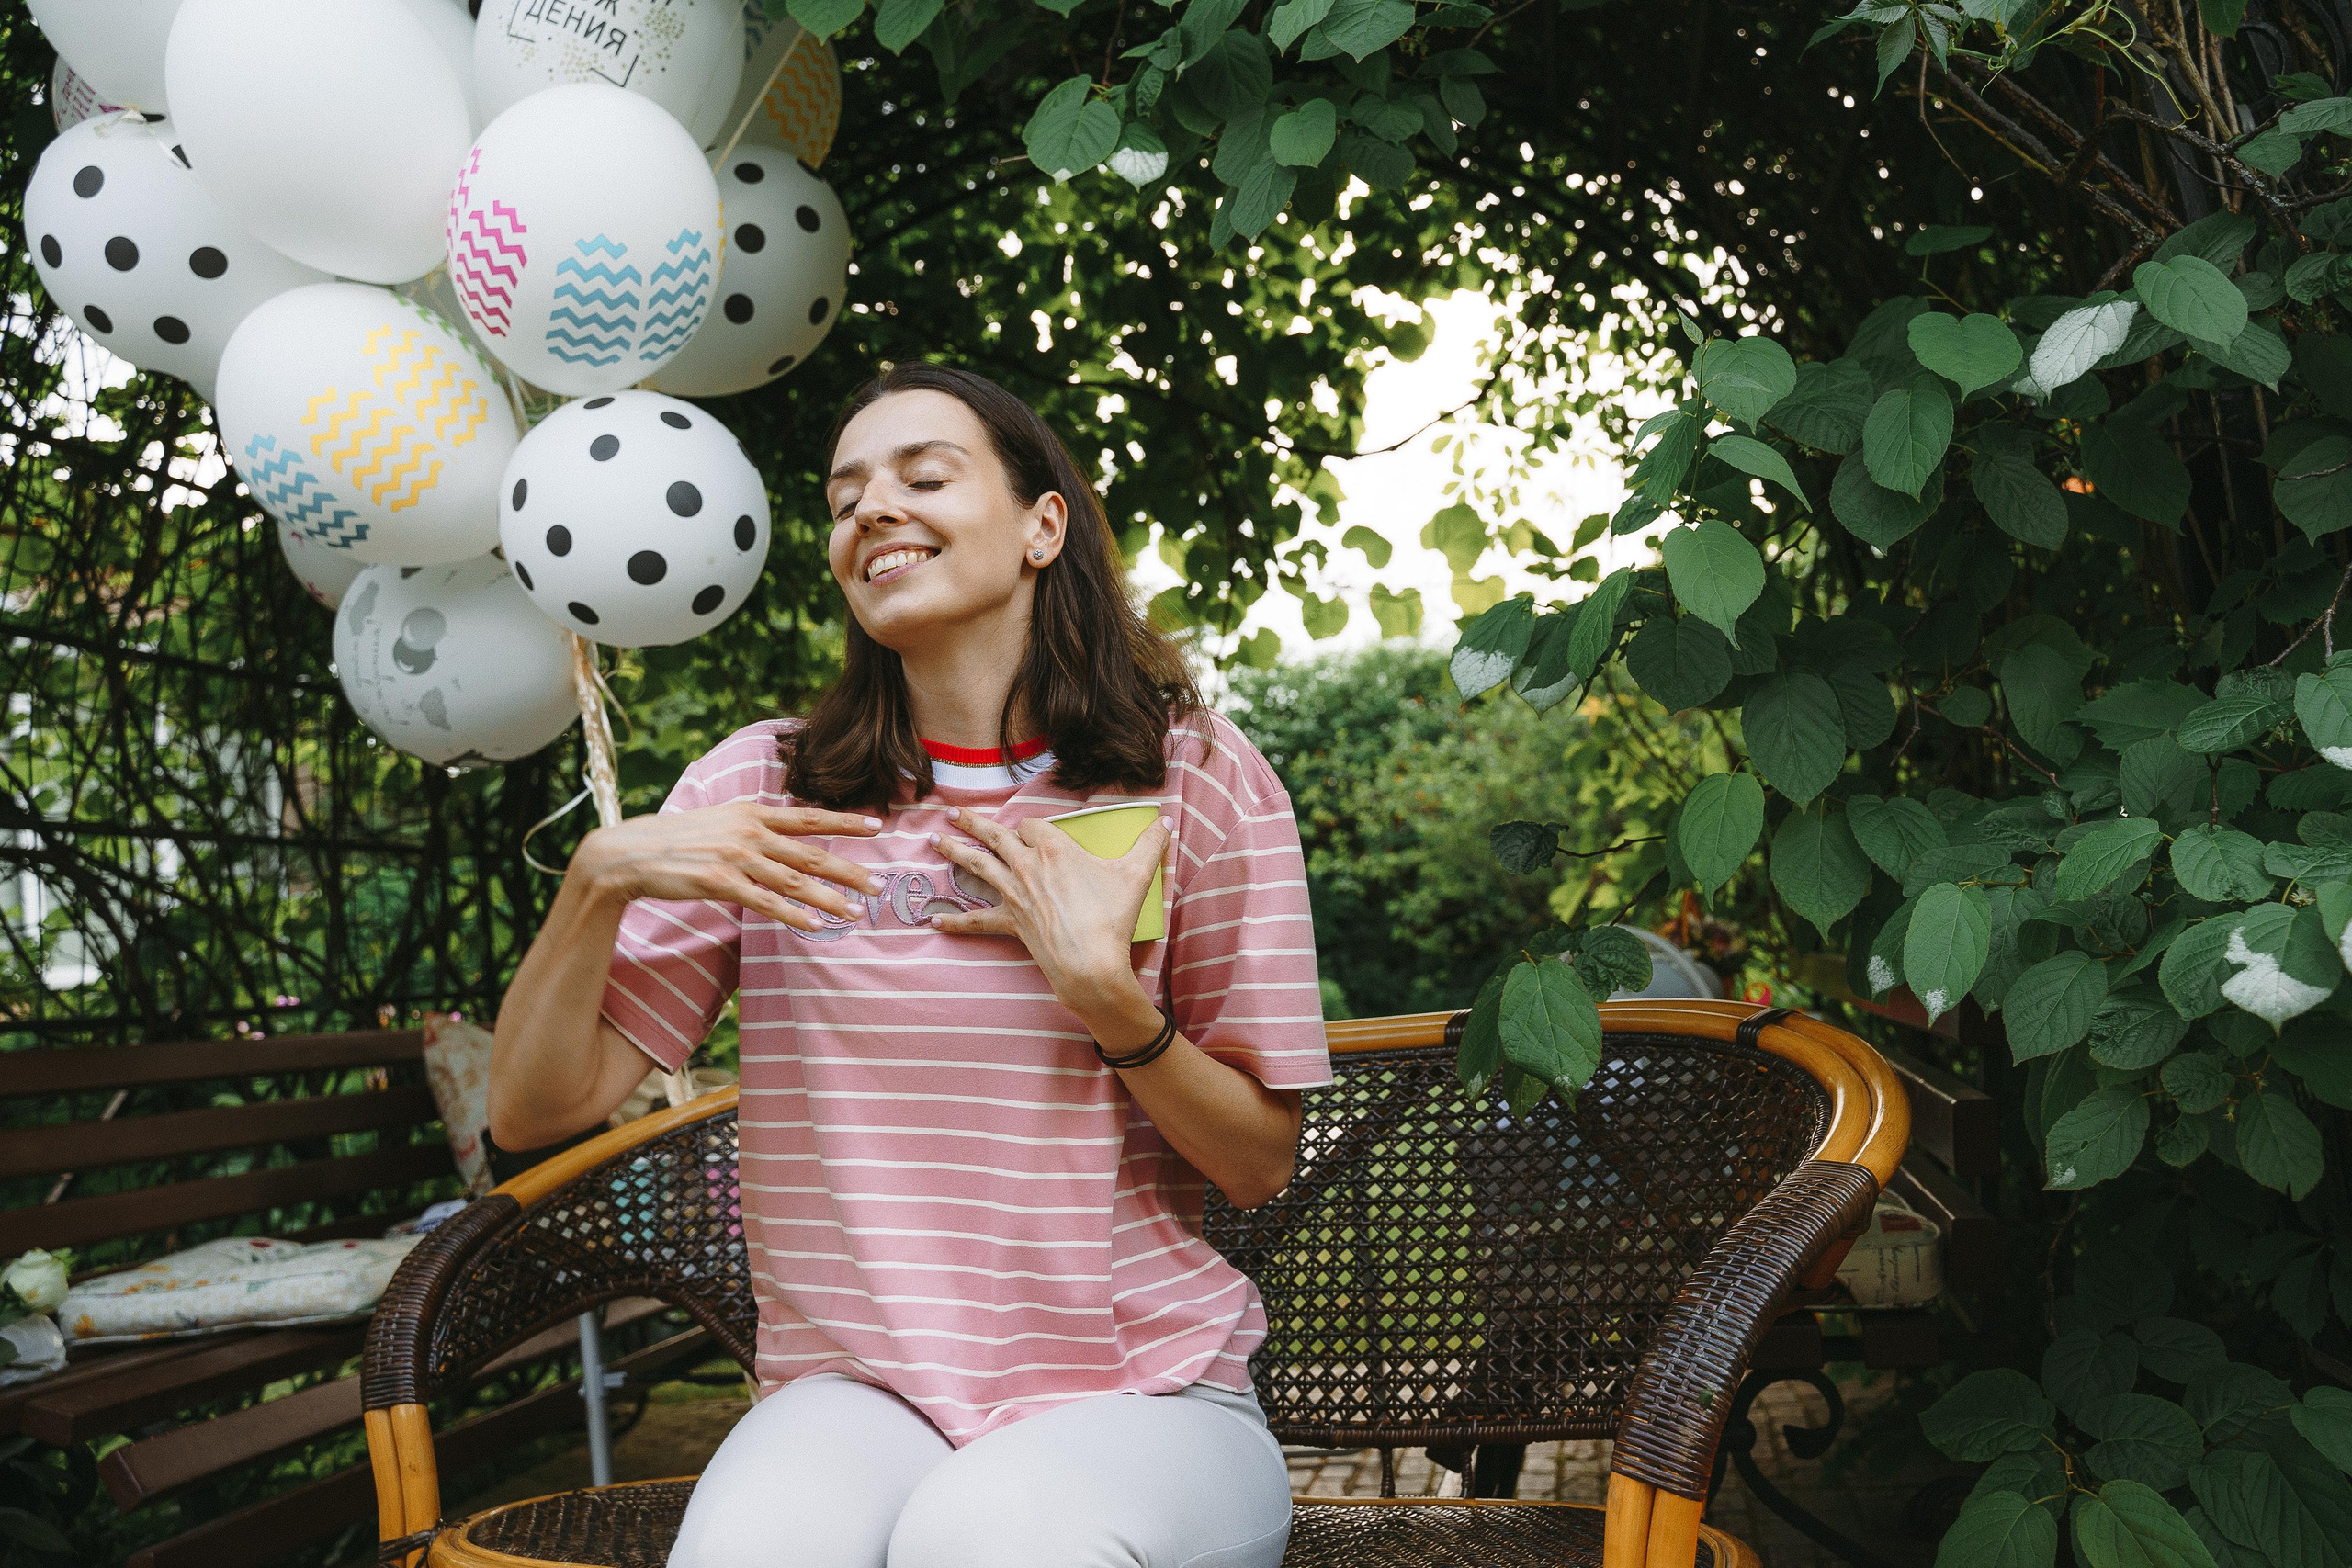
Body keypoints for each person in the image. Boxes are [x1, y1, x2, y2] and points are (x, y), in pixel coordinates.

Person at [488, 363, 1330, 1568]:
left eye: (923, 475)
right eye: (845, 497)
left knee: (979, 1543)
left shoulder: (1191, 778)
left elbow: (1258, 1164)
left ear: (1045, 526)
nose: (871, 508)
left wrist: (1104, 997)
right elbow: (535, 1109)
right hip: (856, 1394)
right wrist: (598, 880)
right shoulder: (762, 794)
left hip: (1137, 1392)